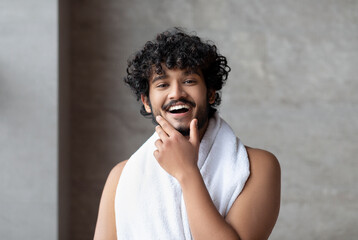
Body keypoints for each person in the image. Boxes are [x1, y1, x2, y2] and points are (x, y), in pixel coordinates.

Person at [94, 28, 281, 240]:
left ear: (210, 93)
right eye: (163, 84)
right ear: (146, 102)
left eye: (189, 81)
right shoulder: (121, 177)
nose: (176, 93)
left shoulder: (258, 166)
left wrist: (187, 172)